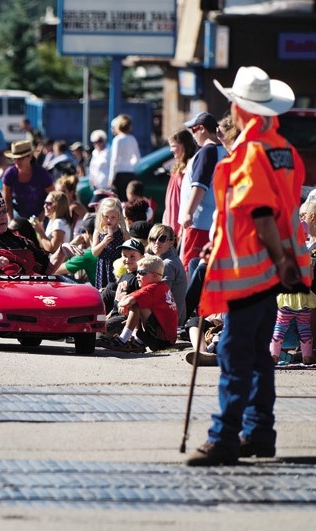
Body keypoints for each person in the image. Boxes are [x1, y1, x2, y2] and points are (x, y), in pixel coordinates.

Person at [187, 66, 309, 467]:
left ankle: (223, 437)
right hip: (271, 272)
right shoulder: (284, 152)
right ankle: (259, 432)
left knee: (233, 353)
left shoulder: (252, 153)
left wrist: (277, 260)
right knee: (257, 353)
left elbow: (259, 213)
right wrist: (285, 264)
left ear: (241, 108)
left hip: (251, 272)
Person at [99, 255, 178, 353]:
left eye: (142, 273)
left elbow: (129, 301)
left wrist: (122, 305)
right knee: (139, 302)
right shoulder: (160, 286)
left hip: (161, 340)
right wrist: (125, 304)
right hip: (166, 338)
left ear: (155, 276)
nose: (137, 276)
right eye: (137, 272)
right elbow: (129, 297)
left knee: (136, 304)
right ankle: (137, 342)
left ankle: (123, 340)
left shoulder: (152, 288)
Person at [179, 112, 227, 274]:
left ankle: (192, 300)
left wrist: (188, 213)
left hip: (199, 222)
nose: (193, 136)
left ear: (201, 129)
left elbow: (200, 185)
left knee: (190, 269)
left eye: (193, 130)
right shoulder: (223, 151)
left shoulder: (208, 151)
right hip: (213, 222)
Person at [1, 140, 54, 221]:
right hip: (18, 216)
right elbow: (7, 199)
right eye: (14, 159)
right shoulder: (9, 174)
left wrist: (40, 220)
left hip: (42, 216)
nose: (16, 162)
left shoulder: (42, 174)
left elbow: (53, 198)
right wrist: (10, 220)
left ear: (30, 156)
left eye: (20, 158)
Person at [147, 223, 187, 326]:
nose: (156, 242)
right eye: (153, 238)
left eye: (162, 239)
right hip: (176, 316)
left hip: (170, 321)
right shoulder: (169, 257)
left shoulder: (167, 264)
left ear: (171, 242)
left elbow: (162, 297)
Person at [164, 129, 198, 237]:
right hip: (171, 222)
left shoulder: (190, 168)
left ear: (183, 145)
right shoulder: (177, 166)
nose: (170, 150)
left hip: (180, 224)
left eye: (173, 146)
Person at [91, 197, 127, 289]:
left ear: (119, 217)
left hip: (118, 267)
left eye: (113, 217)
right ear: (101, 215)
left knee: (116, 291)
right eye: (106, 216)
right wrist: (104, 242)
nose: (109, 220)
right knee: (103, 292)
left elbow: (129, 248)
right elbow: (94, 252)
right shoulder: (99, 231)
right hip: (103, 267)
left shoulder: (122, 232)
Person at [108, 114, 141, 201]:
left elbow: (114, 160)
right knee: (130, 200)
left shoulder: (117, 140)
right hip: (131, 174)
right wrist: (130, 166)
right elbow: (137, 158)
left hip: (120, 175)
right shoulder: (132, 138)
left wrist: (111, 177)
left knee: (120, 200)